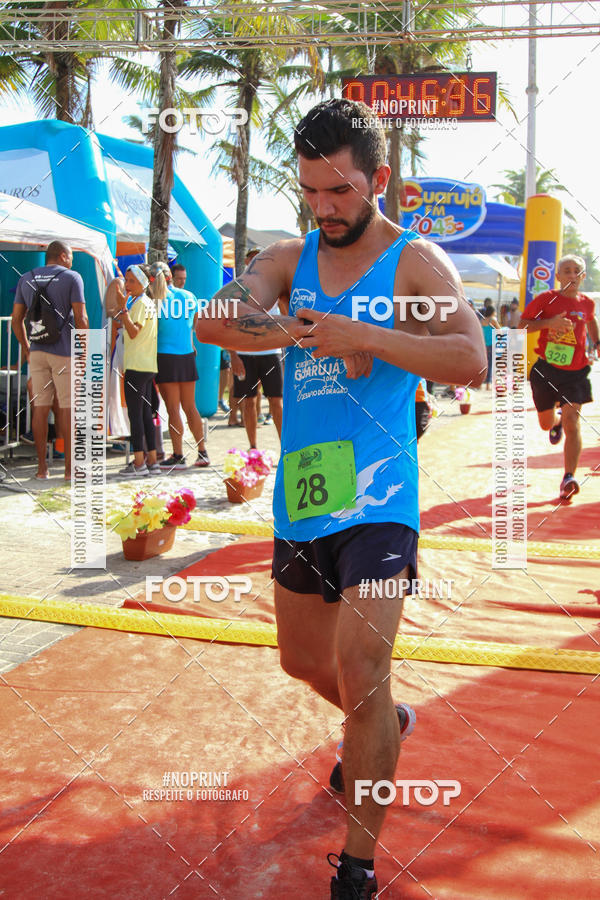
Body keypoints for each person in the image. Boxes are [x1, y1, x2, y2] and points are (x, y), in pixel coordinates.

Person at [196, 99, 485, 896]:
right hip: (305, 494)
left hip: (382, 496)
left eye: (341, 192)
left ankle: (356, 866)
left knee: (360, 667)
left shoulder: (416, 262)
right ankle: (385, 723)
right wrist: (298, 330)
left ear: (379, 180)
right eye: (312, 193)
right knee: (303, 663)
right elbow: (213, 319)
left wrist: (369, 338)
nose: (325, 209)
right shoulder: (291, 259)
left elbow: (472, 358)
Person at [520, 254, 599, 500]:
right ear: (558, 276)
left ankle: (568, 477)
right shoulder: (546, 299)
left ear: (583, 277)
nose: (572, 275)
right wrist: (549, 323)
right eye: (567, 270)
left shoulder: (587, 303)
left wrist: (597, 341)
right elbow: (522, 325)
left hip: (576, 372)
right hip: (546, 370)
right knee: (546, 423)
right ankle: (553, 423)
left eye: (577, 271)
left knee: (572, 422)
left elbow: (591, 320)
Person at [11, 240, 89, 480]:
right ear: (64, 256)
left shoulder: (26, 277)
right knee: (67, 408)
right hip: (64, 352)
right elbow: (81, 317)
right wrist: (83, 351)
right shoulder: (72, 277)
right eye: (72, 256)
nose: (72, 260)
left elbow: (16, 320)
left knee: (40, 408)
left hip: (37, 351)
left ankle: (41, 469)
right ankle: (69, 470)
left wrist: (26, 348)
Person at [147, 261, 210, 469]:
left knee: (173, 408)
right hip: (186, 355)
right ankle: (202, 453)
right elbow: (193, 325)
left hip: (165, 356)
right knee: (190, 407)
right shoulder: (189, 297)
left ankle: (178, 455)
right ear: (170, 277)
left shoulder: (155, 301)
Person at [114, 265, 159, 477]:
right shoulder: (147, 302)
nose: (128, 285)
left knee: (136, 415)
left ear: (142, 283)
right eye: (127, 281)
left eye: (132, 281)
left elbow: (133, 332)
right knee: (145, 414)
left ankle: (139, 462)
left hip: (137, 365)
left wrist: (123, 310)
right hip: (147, 365)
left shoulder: (140, 303)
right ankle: (152, 460)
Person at [481, 305, 500, 390]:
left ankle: (481, 383)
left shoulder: (482, 320)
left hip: (484, 344)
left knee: (485, 364)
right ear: (493, 312)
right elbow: (500, 331)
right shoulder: (493, 320)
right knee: (491, 364)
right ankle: (488, 385)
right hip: (493, 344)